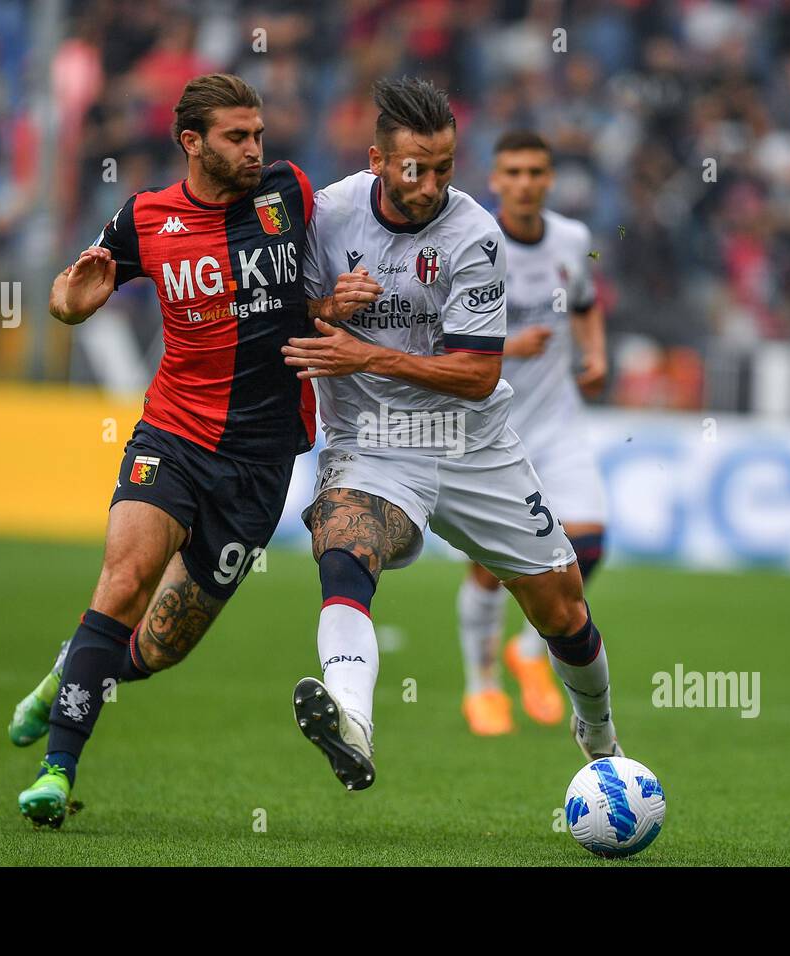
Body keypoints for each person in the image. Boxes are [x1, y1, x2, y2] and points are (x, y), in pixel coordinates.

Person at [283, 77, 622, 792]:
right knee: (344, 543)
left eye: (444, 167)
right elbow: (287, 324)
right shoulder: (328, 216)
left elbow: (473, 373)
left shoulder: (474, 234)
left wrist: (362, 351)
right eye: (416, 168)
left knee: (562, 606)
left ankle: (601, 738)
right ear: (378, 159)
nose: (433, 183)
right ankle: (352, 721)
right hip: (371, 438)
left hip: (472, 443)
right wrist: (323, 305)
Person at [7, 74, 316, 828]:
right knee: (123, 581)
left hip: (262, 460)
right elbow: (70, 293)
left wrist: (338, 304)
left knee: (162, 646)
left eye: (257, 134)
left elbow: (330, 274)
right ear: (192, 142)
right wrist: (67, 306)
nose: (254, 149)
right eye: (236, 137)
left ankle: (65, 673)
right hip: (173, 435)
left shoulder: (289, 193)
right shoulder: (145, 218)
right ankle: (58, 768)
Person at [456, 129, 608, 736]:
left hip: (559, 421)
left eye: (535, 172)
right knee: (493, 566)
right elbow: (438, 332)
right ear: (494, 180)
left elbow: (586, 302)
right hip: (490, 429)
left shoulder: (574, 239)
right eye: (512, 172)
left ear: (549, 180)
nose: (524, 183)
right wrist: (505, 344)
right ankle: (482, 685)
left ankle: (529, 647)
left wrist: (594, 356)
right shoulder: (473, 242)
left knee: (588, 545)